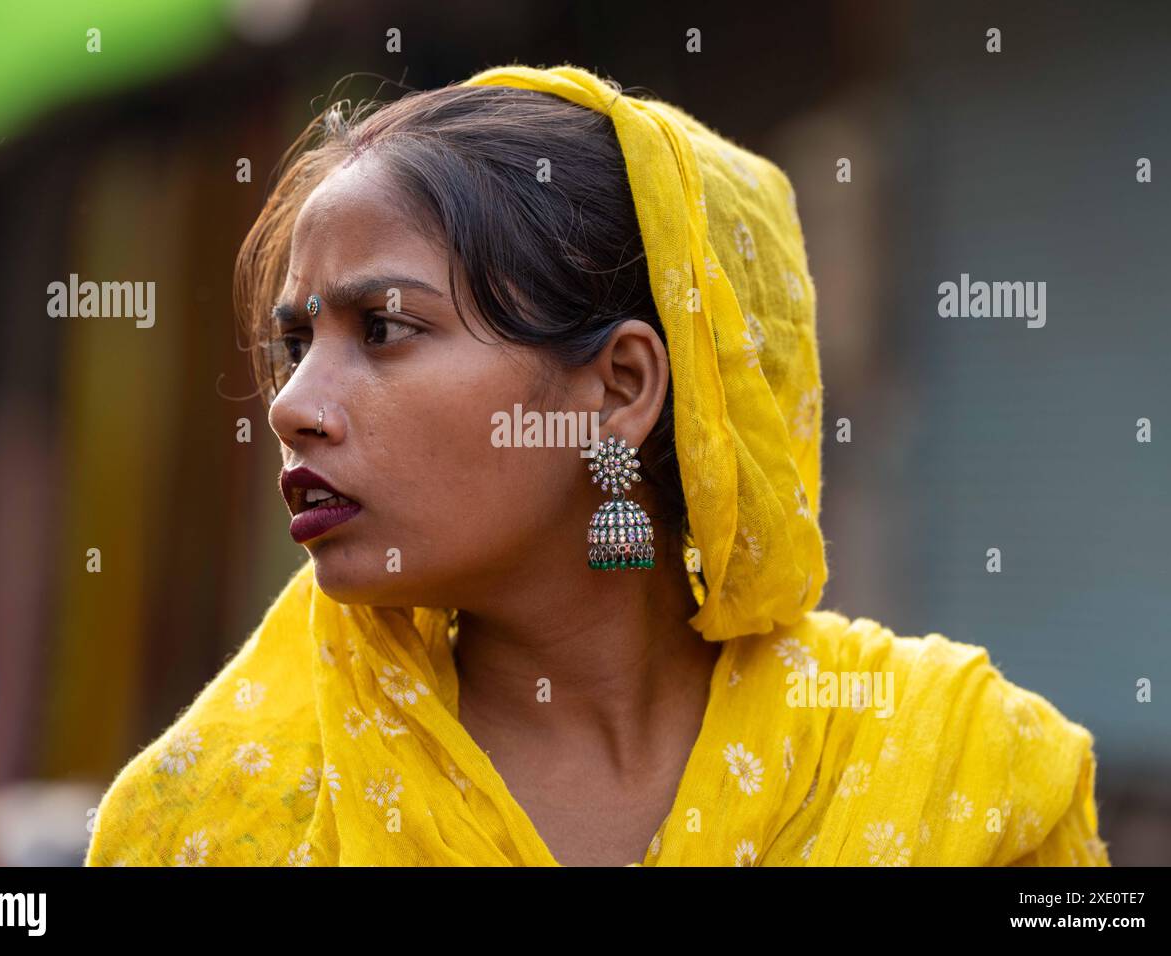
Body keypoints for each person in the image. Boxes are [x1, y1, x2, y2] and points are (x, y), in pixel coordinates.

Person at [85, 64, 1109, 867]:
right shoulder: (221, 816)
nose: (294, 405)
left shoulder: (959, 773)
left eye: (384, 327)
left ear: (618, 387)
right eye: (297, 342)